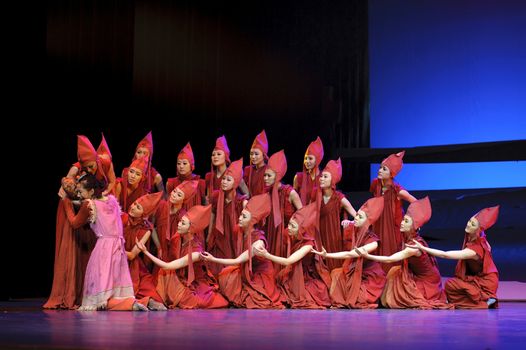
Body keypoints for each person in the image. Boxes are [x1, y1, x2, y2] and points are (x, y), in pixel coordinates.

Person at [64, 174, 146, 311]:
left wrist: (66, 203)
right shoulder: (111, 200)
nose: (79, 195)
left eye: (81, 191)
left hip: (104, 249)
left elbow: (74, 223)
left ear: (90, 192)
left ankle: (129, 305)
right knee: (115, 288)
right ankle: (132, 302)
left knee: (99, 297)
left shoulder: (89, 205)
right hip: (118, 247)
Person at [356, 197, 451, 309]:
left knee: (399, 281)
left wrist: (368, 256)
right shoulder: (408, 239)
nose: (402, 223)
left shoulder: (414, 246)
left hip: (427, 282)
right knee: (395, 272)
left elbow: (390, 259)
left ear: (414, 225)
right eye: (403, 220)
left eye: (406, 221)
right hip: (415, 275)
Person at [136, 205, 229, 309]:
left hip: (194, 283)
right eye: (180, 221)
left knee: (168, 274)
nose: (179, 224)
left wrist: (145, 252)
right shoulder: (177, 237)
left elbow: (168, 265)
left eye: (183, 223)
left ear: (190, 229)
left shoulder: (196, 253)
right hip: (178, 276)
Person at [407, 206, 500, 309]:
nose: (468, 224)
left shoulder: (473, 251)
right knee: (451, 286)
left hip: (486, 282)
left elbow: (445, 254)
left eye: (472, 224)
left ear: (478, 230)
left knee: (452, 285)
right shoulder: (481, 239)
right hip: (478, 277)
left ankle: (485, 299)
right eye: (469, 221)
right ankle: (482, 300)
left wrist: (423, 248)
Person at [201, 194, 283, 309]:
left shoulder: (258, 243)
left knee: (253, 299)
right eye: (241, 215)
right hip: (246, 270)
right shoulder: (239, 230)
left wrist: (213, 259)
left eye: (244, 217)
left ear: (252, 221)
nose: (240, 218)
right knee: (226, 275)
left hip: (259, 275)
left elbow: (237, 260)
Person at [312, 197, 386, 309]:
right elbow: (353, 223)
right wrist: (350, 221)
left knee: (358, 300)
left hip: (369, 276)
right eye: (356, 215)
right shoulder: (356, 230)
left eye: (359, 217)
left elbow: (350, 254)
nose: (355, 218)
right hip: (353, 271)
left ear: (367, 221)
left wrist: (327, 255)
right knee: (337, 274)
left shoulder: (373, 242)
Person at [255, 203, 331, 309]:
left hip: (304, 277)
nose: (289, 227)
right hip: (293, 272)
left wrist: (266, 255)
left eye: (293, 226)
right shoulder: (294, 235)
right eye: (289, 224)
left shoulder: (308, 245)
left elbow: (288, 261)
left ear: (302, 228)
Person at [369, 151, 416, 272]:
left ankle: (391, 274)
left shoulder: (398, 190)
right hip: (378, 223)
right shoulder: (376, 185)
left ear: (391, 173)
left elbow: (415, 202)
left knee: (391, 249)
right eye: (380, 168)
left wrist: (413, 222)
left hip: (392, 226)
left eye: (384, 169)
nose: (379, 170)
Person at [123, 192, 167, 310]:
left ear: (144, 214)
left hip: (131, 264)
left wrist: (111, 249)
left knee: (149, 291)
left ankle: (146, 302)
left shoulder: (145, 230)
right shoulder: (121, 217)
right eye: (134, 204)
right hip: (113, 260)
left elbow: (132, 255)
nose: (132, 207)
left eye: (138, 207)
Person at [264, 150, 302, 273]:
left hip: (286, 236)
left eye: (269, 176)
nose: (265, 178)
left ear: (278, 175)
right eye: (265, 175)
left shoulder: (289, 192)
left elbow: (302, 214)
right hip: (270, 233)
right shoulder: (266, 192)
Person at [207, 159, 248, 275]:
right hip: (219, 236)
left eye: (228, 180)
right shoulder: (216, 196)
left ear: (235, 182)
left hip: (234, 238)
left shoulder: (242, 202)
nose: (224, 182)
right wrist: (209, 235)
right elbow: (212, 216)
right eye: (224, 179)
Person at [316, 158, 357, 271]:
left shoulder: (339, 198)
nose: (321, 179)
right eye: (321, 176)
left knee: (334, 266)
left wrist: (350, 222)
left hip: (334, 237)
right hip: (319, 236)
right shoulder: (316, 196)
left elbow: (357, 216)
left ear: (332, 180)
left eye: (325, 177)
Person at [166, 142, 206, 209]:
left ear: (191, 165)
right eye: (179, 163)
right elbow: (168, 205)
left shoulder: (200, 183)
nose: (181, 166)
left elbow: (204, 204)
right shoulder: (171, 183)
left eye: (184, 163)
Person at [293, 137, 324, 205]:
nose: (307, 161)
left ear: (317, 159)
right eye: (305, 158)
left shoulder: (323, 178)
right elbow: (293, 200)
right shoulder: (298, 177)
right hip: (302, 213)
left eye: (310, 158)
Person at [205, 135, 231, 204]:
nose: (215, 157)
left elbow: (246, 194)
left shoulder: (232, 173)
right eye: (213, 155)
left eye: (219, 154)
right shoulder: (209, 176)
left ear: (226, 156)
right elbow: (208, 197)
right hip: (213, 210)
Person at [242, 130, 269, 197]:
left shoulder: (268, 170)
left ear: (264, 155)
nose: (253, 157)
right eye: (251, 154)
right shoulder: (247, 170)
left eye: (256, 154)